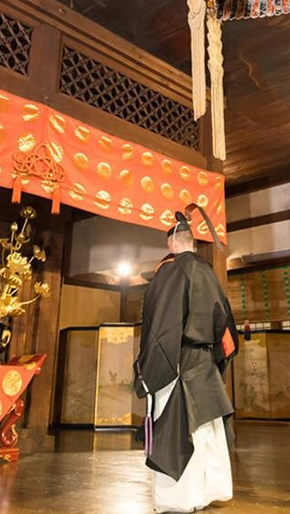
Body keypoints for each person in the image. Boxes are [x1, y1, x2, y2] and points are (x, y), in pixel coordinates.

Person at [134, 211, 238, 514]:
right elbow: (225, 325)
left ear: (172, 242)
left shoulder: (170, 271)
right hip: (204, 360)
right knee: (206, 427)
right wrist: (218, 361)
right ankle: (211, 491)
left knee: (177, 428)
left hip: (176, 360)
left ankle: (179, 498)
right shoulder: (208, 272)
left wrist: (148, 370)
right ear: (192, 242)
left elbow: (160, 326)